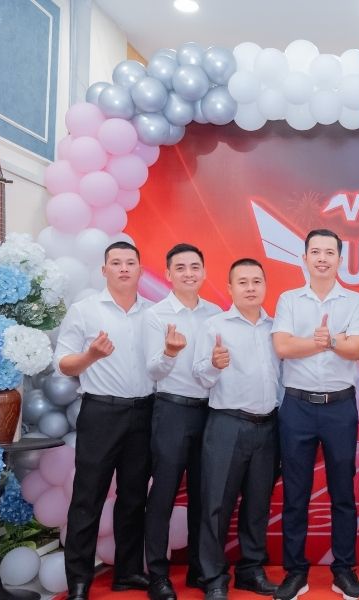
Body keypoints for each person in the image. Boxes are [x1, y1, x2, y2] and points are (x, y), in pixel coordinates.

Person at [271, 229, 359, 600]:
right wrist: (327, 341)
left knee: (343, 493)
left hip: (339, 407)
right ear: (305, 258)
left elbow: (356, 349)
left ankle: (343, 570)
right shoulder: (289, 299)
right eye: (316, 252)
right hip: (296, 406)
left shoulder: (355, 301)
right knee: (295, 494)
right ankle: (295, 572)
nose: (323, 258)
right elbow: (282, 346)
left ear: (340, 259)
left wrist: (328, 341)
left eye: (330, 252)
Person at [54, 241, 154, 599]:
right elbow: (63, 364)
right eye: (116, 262)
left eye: (130, 262)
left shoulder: (154, 314)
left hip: (145, 412)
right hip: (101, 412)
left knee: (134, 496)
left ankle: (128, 571)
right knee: (88, 496)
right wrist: (91, 356)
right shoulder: (84, 311)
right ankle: (79, 580)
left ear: (140, 269)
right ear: (104, 270)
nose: (123, 268)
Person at [191, 258, 282, 600]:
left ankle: (251, 570)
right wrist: (214, 365)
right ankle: (213, 577)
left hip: (268, 426)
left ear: (265, 286)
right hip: (227, 424)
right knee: (216, 504)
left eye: (256, 281)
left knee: (258, 504)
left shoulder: (276, 328)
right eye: (242, 282)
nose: (250, 288)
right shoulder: (215, 326)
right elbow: (200, 375)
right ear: (230, 288)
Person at [142, 243, 223, 600]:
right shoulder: (156, 315)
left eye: (195, 267)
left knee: (205, 494)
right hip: (172, 410)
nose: (189, 273)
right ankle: (158, 575)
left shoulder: (216, 314)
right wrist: (169, 353)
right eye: (181, 268)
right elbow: (152, 370)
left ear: (204, 272)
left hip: (211, 411)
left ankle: (199, 569)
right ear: (168, 273)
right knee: (164, 493)